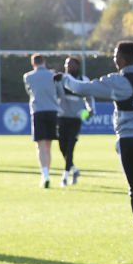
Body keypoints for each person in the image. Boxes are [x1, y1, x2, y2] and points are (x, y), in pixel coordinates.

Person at [60, 41, 133, 247]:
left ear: (123, 59)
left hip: (127, 141)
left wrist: (65, 79)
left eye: (115, 55)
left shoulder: (116, 81)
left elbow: (83, 88)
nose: (113, 58)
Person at [55, 57, 95, 186]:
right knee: (62, 147)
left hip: (76, 118)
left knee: (70, 147)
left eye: (70, 65)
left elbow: (89, 97)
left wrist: (90, 110)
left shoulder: (84, 81)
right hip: (62, 117)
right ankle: (74, 170)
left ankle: (65, 177)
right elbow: (54, 94)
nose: (68, 67)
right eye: (66, 64)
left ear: (77, 66)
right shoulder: (60, 80)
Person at [23, 54, 61, 188]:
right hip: (52, 111)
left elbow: (30, 92)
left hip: (38, 111)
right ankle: (47, 173)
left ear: (33, 64)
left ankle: (45, 174)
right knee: (48, 146)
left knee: (40, 146)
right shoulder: (53, 75)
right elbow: (59, 92)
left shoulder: (28, 76)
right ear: (44, 62)